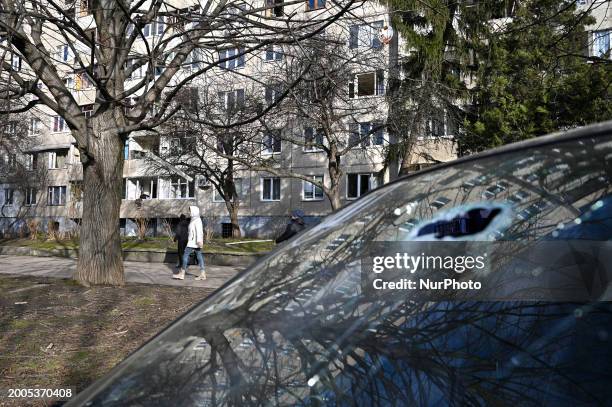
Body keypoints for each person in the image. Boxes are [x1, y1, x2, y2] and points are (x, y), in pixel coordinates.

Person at [173, 206, 206, 280]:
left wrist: (199, 241)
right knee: (199, 257)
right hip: (193, 241)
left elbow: (199, 231)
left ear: (194, 211)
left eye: (190, 211)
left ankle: (182, 273)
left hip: (193, 242)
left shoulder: (197, 220)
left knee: (185, 256)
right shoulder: (193, 220)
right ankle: (203, 274)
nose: (189, 212)